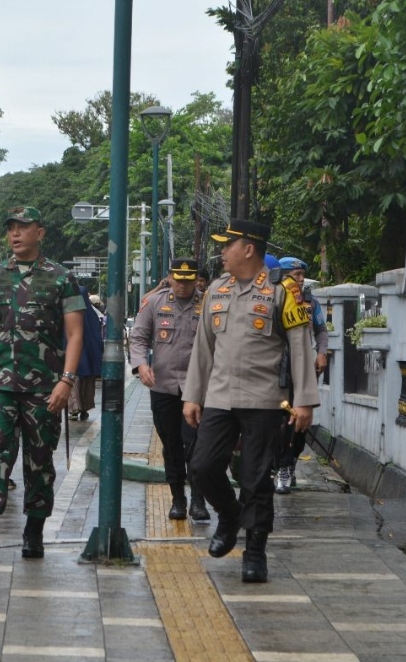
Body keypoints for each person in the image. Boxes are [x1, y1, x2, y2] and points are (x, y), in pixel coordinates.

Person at [182, 219, 319, 583]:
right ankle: (229, 515)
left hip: (264, 399)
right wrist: (193, 396)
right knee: (202, 465)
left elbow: (301, 347)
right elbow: (203, 348)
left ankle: (255, 552)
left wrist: (303, 401)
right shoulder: (216, 289)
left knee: (256, 478)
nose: (222, 252)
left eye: (228, 245)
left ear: (248, 249)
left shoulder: (281, 292)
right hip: (220, 396)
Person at [0, 205, 84, 563]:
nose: (15, 234)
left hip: (45, 386)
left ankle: (34, 533)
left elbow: (75, 334)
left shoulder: (60, 278)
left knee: (40, 460)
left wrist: (67, 381)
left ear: (40, 232)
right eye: (11, 228)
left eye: (23, 227)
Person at [130, 257, 210, 522]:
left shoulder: (209, 303)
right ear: (170, 277)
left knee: (197, 444)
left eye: (189, 281)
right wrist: (141, 365)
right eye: (179, 280)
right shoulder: (154, 303)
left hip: (198, 388)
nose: (184, 286)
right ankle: (178, 498)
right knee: (171, 444)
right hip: (163, 386)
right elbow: (138, 337)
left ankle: (199, 499)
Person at [274, 256, 329, 494]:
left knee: (299, 423)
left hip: (302, 369)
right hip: (276, 371)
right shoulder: (273, 297)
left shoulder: (310, 301)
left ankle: (290, 461)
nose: (300, 278)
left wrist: (322, 353)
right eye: (295, 274)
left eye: (301, 274)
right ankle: (281, 466)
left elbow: (321, 330)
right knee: (279, 422)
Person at [67, 287, 104, 421]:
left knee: (72, 381)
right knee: (87, 383)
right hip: (89, 357)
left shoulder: (70, 313)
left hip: (73, 357)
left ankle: (74, 409)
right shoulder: (92, 315)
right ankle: (84, 408)